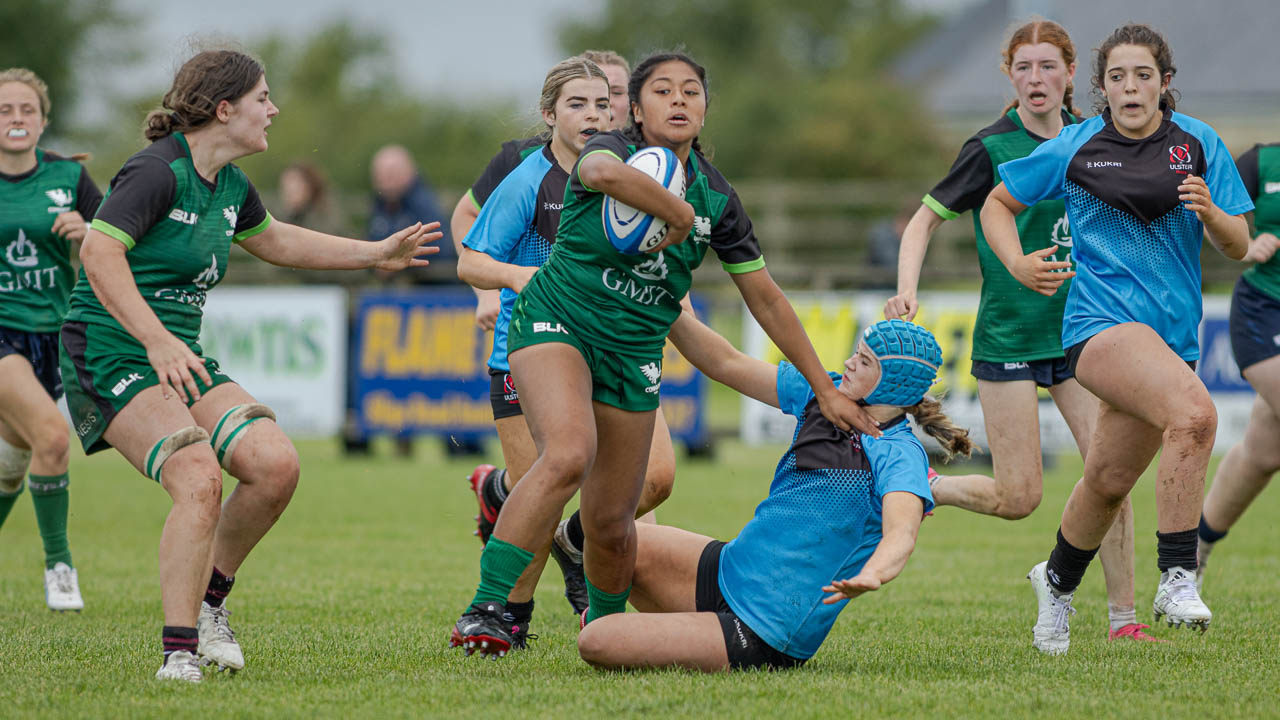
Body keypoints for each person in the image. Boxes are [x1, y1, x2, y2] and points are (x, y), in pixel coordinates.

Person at [451, 51, 878, 658]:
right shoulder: (612, 150)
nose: (679, 101)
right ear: (635, 107)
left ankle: (602, 625)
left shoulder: (718, 199)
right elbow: (598, 175)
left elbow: (767, 299)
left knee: (610, 518)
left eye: (692, 92)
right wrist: (672, 210)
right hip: (558, 323)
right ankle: (489, 613)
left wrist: (826, 387)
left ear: (705, 110)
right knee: (568, 454)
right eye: (663, 91)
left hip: (634, 354)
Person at [60, 49, 439, 682]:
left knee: (274, 465)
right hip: (108, 352)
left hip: (176, 355)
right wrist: (155, 340)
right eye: (263, 98)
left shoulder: (230, 184)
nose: (274, 109)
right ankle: (178, 654)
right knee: (198, 476)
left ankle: (210, 608)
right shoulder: (155, 171)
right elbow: (100, 255)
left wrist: (376, 252)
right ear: (224, 108)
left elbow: (279, 241)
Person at [982, 24, 1252, 654]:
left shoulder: (1198, 143)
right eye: (1118, 77)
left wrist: (1213, 214)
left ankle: (1054, 581)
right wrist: (1018, 263)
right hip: (1097, 330)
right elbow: (998, 205)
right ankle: (1178, 576)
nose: (1131, 88)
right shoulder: (1075, 146)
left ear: (1164, 82)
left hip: (1169, 342)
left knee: (1106, 482)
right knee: (1194, 415)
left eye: (1144, 76)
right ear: (1100, 87)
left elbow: (1238, 245)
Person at [884, 20, 1149, 642]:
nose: (1036, 79)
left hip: (1083, 337)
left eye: (1048, 66)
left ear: (1068, 72)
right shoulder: (989, 148)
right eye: (1024, 68)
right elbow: (922, 222)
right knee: (1018, 496)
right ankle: (924, 484)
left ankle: (1124, 622)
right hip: (1007, 338)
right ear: (1010, 75)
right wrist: (907, 289)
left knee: (1109, 475)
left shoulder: (1095, 138)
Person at [576, 316, 969, 671]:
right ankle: (615, 618)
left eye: (865, 362)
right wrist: (665, 301)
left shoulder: (899, 453)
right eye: (856, 353)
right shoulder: (823, 392)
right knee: (612, 533)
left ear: (894, 387)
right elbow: (724, 361)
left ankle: (625, 628)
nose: (850, 362)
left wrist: (874, 574)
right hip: (728, 568)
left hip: (765, 628)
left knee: (596, 643)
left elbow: (901, 532)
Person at [453, 57, 679, 645]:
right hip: (530, 347)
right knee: (544, 492)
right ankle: (502, 616)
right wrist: (517, 278)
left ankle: (564, 535)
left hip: (613, 348)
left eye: (603, 104)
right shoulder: (529, 176)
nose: (592, 115)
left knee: (654, 480)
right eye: (577, 105)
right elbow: (470, 259)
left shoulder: (633, 173)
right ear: (549, 115)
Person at [0, 67, 101, 611]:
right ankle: (59, 566)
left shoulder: (67, 177)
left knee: (13, 460)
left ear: (42, 122)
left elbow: (117, 243)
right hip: (2, 338)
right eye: (4, 110)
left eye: (26, 111)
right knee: (53, 439)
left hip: (57, 336)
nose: (16, 119)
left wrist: (87, 233)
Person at [1197, 141, 1280, 587]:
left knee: (1263, 453)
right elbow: (1212, 216)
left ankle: (1194, 551)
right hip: (1265, 312)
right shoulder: (1261, 161)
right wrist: (1246, 248)